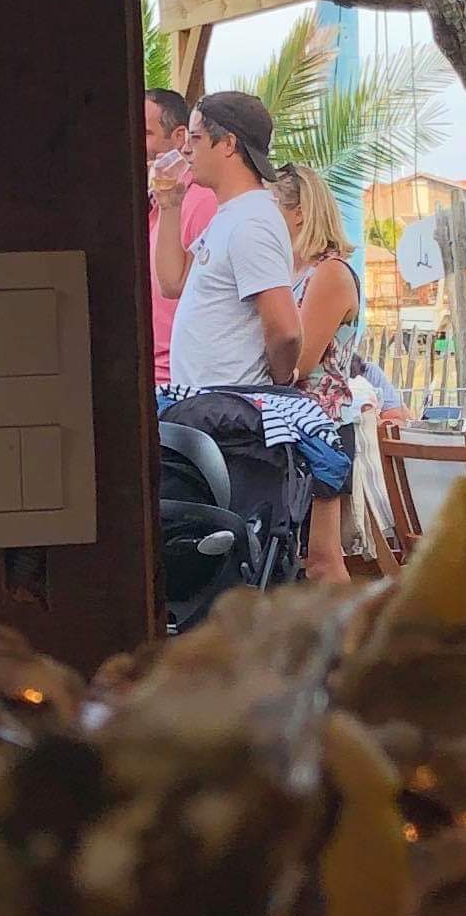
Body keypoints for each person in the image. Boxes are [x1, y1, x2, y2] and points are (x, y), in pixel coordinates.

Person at [154, 89, 297, 397]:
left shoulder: (251, 222)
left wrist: (277, 382)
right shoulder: (231, 216)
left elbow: (286, 330)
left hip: (228, 407)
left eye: (196, 138)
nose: (186, 149)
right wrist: (170, 205)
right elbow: (172, 282)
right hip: (207, 404)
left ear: (229, 144)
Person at [271, 159, 363, 582]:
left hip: (323, 424)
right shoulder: (294, 272)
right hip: (295, 421)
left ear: (299, 213)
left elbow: (303, 360)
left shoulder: (329, 274)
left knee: (323, 558)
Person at [143, 85, 214, 389]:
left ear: (180, 136)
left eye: (145, 133)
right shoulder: (155, 200)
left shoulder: (202, 201)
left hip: (178, 379)